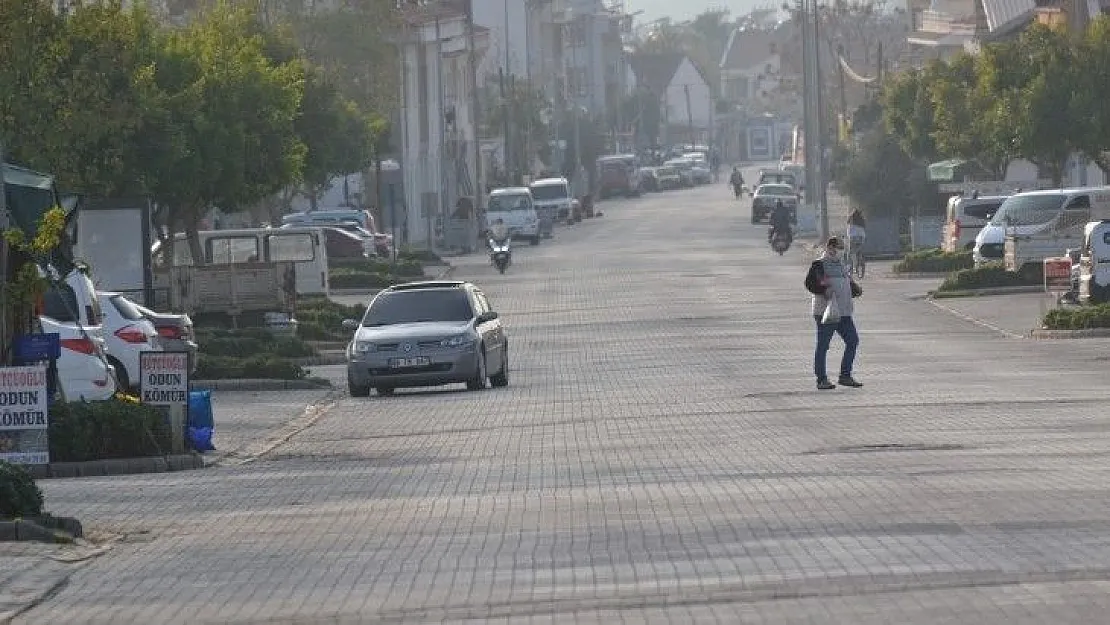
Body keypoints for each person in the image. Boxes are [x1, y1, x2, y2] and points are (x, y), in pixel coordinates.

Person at [805, 237, 862, 390]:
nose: (839, 251)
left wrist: (854, 288)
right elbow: (810, 284)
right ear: (829, 247)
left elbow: (847, 282)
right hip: (826, 313)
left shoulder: (841, 265)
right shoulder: (819, 264)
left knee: (853, 340)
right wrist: (824, 290)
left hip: (843, 312)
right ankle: (821, 379)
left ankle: (845, 375)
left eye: (842, 248)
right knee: (823, 346)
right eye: (837, 247)